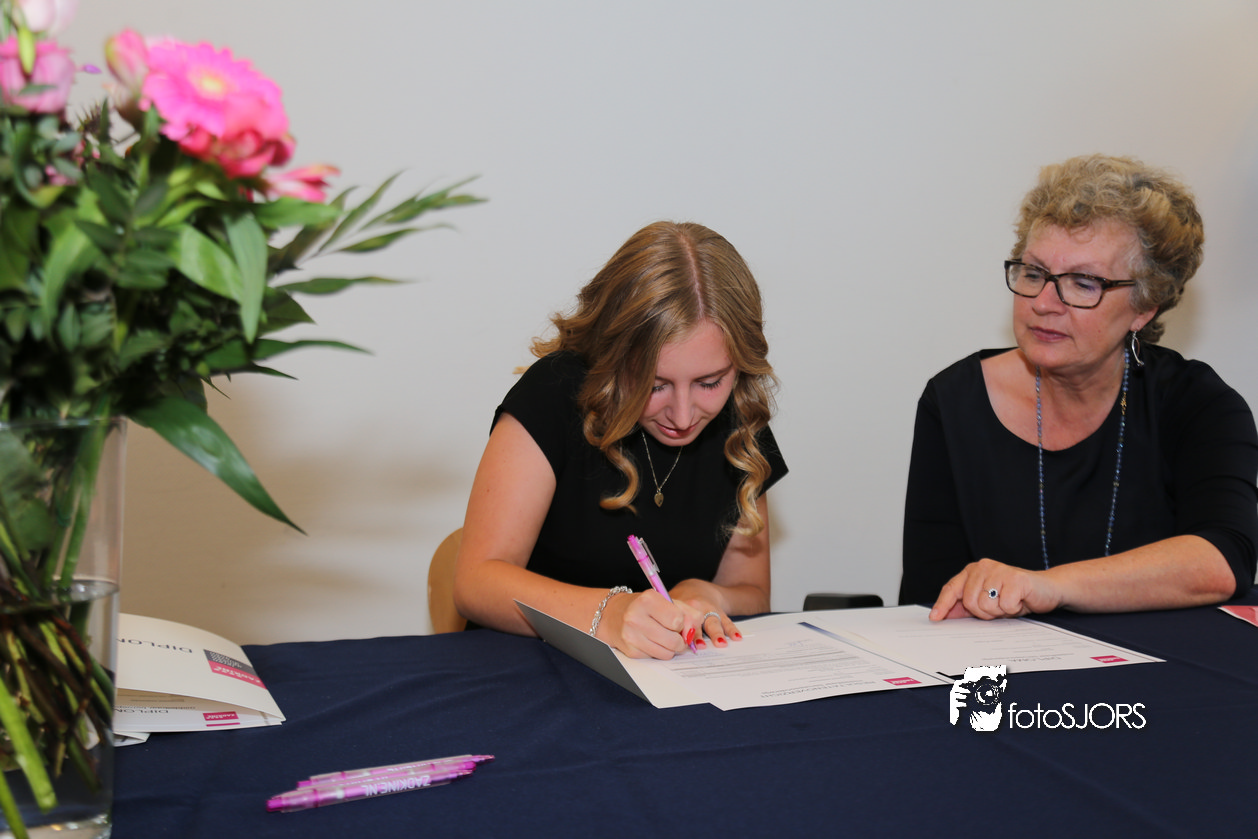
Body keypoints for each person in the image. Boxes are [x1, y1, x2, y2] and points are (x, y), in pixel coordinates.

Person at [900, 154, 1258, 621]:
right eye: (1034, 274)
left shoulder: (1199, 405)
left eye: (1083, 283)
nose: (1045, 303)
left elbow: (1222, 559)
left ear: (1143, 307)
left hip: (1155, 661)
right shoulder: (954, 402)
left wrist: (1049, 586)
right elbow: (930, 594)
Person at [453, 221, 787, 659]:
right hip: (526, 668)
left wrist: (708, 595)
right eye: (654, 385)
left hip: (667, 683)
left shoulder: (739, 423)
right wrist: (608, 614)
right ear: (614, 357)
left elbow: (752, 593)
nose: (683, 416)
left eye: (709, 383)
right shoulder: (555, 393)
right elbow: (476, 583)